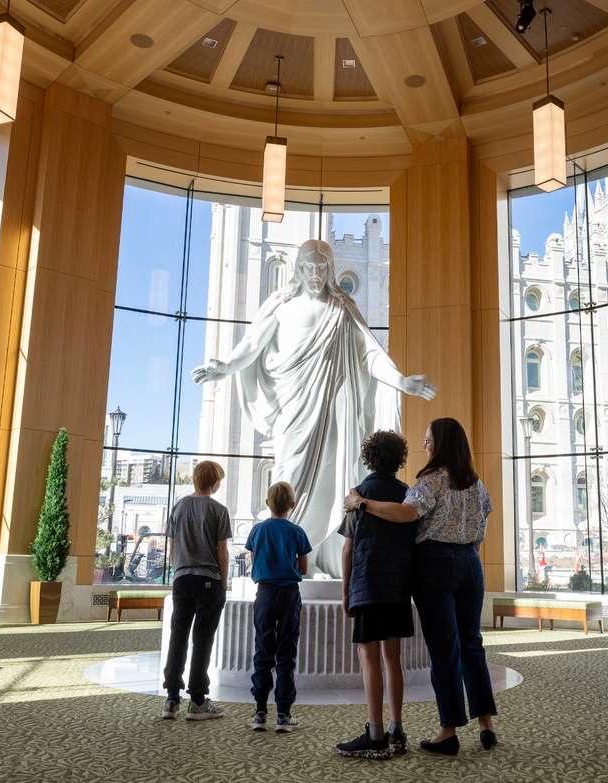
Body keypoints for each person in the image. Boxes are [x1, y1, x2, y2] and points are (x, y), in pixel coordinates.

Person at [191, 239, 435, 576]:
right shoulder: (281, 306)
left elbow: (369, 353)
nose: (316, 274)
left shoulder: (341, 309)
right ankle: (289, 557)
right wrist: (225, 367)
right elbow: (251, 345)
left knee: (332, 479)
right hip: (294, 408)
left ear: (330, 270)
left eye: (322, 268)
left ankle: (321, 556)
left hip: (334, 410)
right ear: (298, 269)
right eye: (309, 267)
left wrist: (400, 381)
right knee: (289, 473)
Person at [344, 418, 497, 756]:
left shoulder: (431, 480)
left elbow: (406, 514)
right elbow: (482, 528)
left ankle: (448, 730)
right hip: (471, 564)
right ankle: (486, 723)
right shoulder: (476, 483)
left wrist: (362, 503)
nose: (425, 445)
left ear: (441, 443)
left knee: (445, 649)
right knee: (472, 643)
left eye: (428, 439)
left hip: (435, 564)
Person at [335, 430, 415, 760]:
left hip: (367, 585)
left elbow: (348, 549)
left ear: (369, 457)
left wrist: (345, 592)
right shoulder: (407, 494)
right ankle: (397, 728)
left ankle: (375, 732)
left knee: (369, 659)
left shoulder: (359, 495)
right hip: (397, 586)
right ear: (399, 459)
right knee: (393, 658)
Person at [161, 460, 231, 721]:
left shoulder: (178, 507)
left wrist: (178, 570)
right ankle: (198, 700)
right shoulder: (218, 510)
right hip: (208, 580)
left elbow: (172, 547)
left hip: (181, 578)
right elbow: (221, 552)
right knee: (202, 640)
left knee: (177, 636)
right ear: (214, 483)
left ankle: (171, 699)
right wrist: (223, 584)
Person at [244, 481, 312, 733]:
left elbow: (253, 563)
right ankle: (283, 715)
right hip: (289, 594)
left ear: (267, 503)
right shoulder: (297, 532)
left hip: (264, 593)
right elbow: (304, 569)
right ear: (292, 505)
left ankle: (259, 712)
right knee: (286, 653)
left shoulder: (257, 531)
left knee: (263, 651)